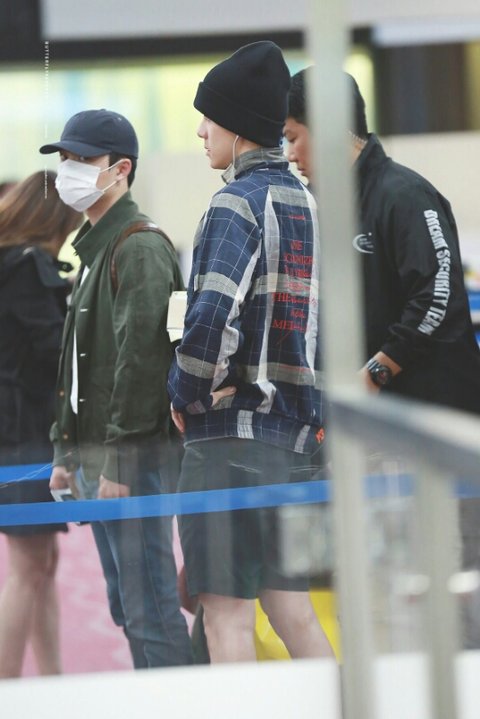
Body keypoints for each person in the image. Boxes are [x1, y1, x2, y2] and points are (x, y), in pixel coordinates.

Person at [285, 67, 480, 645]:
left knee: (439, 590)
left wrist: (372, 374)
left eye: (293, 137)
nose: (289, 154)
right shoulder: (326, 206)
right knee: (378, 595)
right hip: (370, 432)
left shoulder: (404, 194)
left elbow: (438, 296)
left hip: (430, 431)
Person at [168, 41, 334, 663]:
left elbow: (211, 319)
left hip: (228, 443)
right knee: (293, 611)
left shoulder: (233, 204)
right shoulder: (309, 204)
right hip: (294, 440)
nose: (201, 131)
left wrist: (183, 392)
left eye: (209, 118)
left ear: (237, 126)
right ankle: (343, 707)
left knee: (226, 618)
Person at [39, 109, 193, 668]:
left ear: (121, 168)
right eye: (65, 158)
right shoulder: (96, 247)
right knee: (129, 607)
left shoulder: (139, 246)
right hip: (100, 456)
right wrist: (65, 451)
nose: (69, 170)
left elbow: (143, 362)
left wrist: (120, 461)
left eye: (83, 159)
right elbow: (78, 366)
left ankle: (184, 702)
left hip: (131, 459)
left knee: (150, 608)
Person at [0, 170, 82, 678]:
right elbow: (53, 349)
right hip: (21, 433)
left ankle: (50, 681)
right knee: (30, 567)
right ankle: (10, 685)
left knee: (40, 564)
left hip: (20, 429)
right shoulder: (27, 267)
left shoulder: (16, 263)